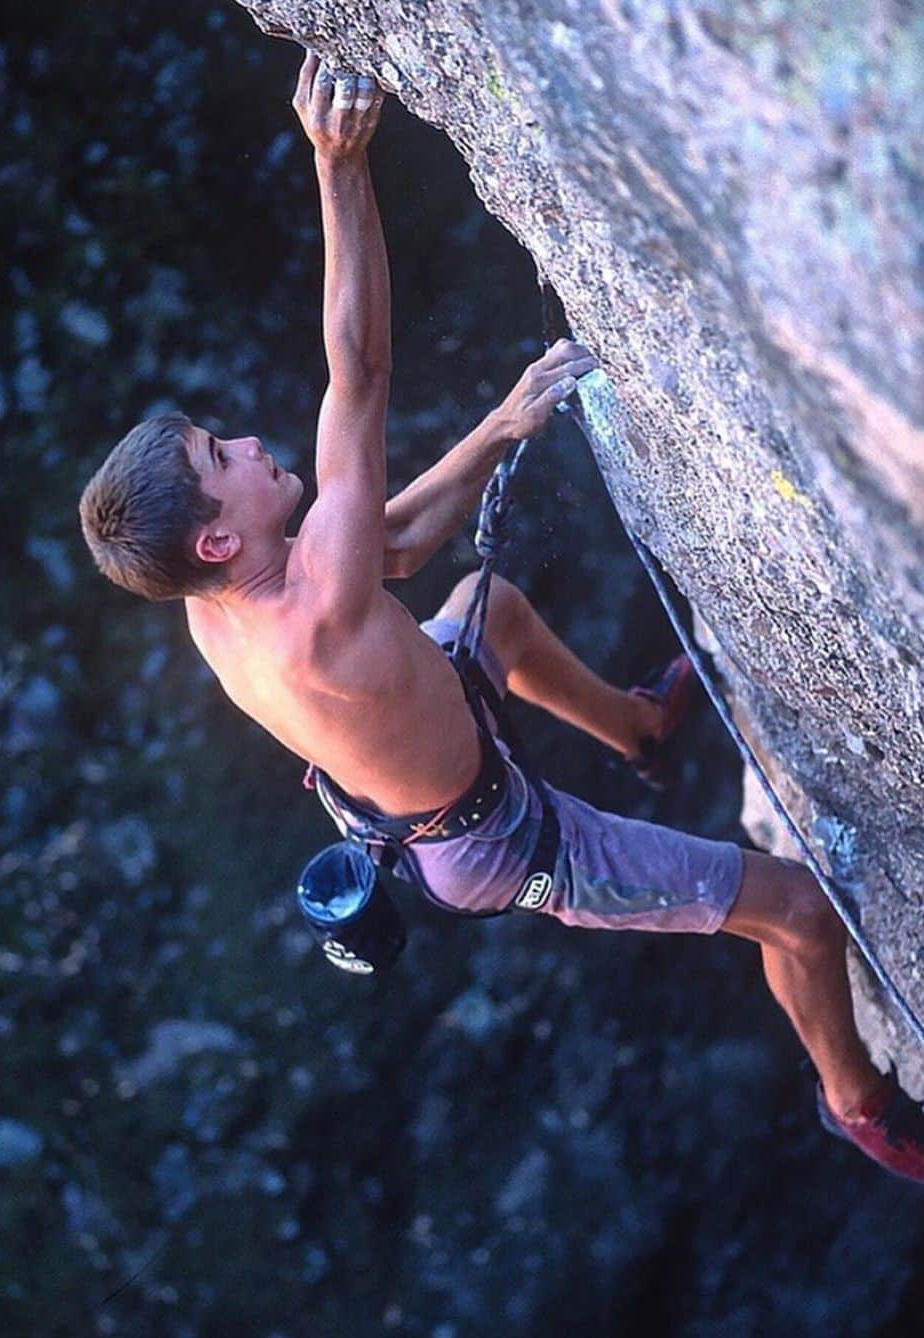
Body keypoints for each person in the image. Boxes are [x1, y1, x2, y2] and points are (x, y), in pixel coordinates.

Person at [78, 50, 924, 1183]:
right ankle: (860, 1105)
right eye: (217, 458)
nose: (242, 441)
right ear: (217, 538)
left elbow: (392, 544)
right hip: (497, 840)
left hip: (406, 771)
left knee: (489, 607)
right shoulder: (315, 606)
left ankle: (640, 729)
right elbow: (359, 369)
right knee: (801, 917)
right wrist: (341, 167)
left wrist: (500, 426)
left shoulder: (220, 606)